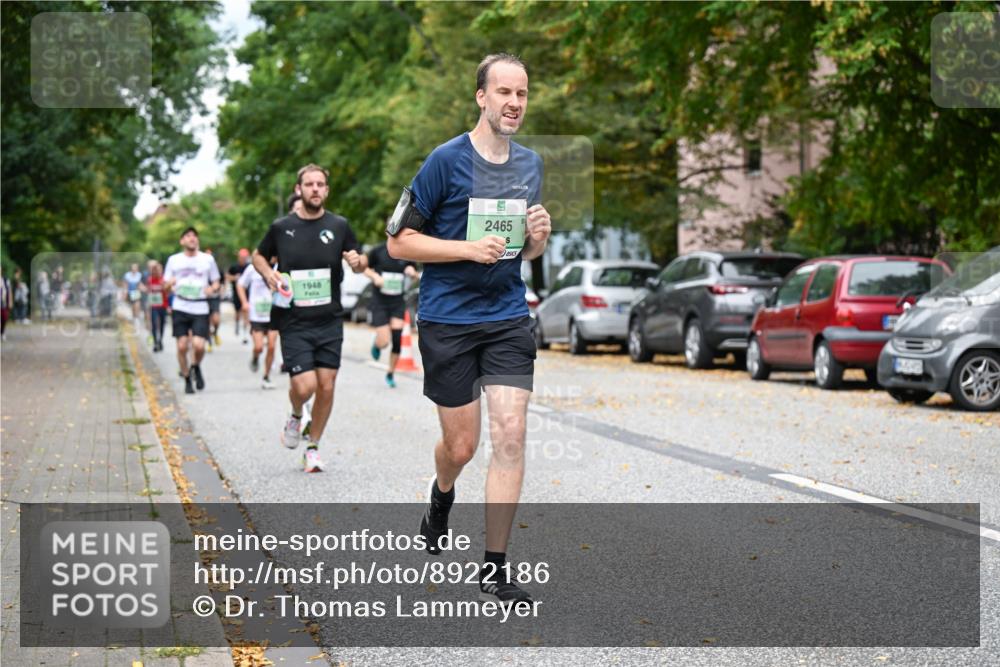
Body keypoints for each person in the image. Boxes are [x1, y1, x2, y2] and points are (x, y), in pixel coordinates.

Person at [386, 53, 551, 607]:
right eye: (503, 91)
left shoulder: (530, 165)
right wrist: (463, 249)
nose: (514, 103)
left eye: (522, 94)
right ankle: (441, 495)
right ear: (481, 96)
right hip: (449, 319)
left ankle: (495, 568)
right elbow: (397, 241)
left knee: (510, 434)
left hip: (505, 316)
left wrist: (538, 239)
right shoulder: (444, 161)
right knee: (462, 445)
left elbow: (522, 250)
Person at [252, 164, 367, 473]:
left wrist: (358, 262)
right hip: (294, 320)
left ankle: (313, 447)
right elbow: (258, 256)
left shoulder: (339, 225)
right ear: (298, 189)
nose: (315, 189)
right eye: (309, 184)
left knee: (327, 386)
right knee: (305, 387)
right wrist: (268, 275)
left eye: (320, 184)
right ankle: (295, 412)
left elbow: (359, 260)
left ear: (326, 191)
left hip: (329, 319)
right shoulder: (281, 227)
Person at [163, 227, 221, 394]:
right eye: (188, 236)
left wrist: (212, 288)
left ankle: (195, 366)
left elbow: (216, 281)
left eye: (195, 236)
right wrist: (169, 283)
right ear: (182, 241)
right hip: (180, 306)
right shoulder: (174, 260)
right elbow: (165, 287)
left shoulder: (207, 259)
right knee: (182, 346)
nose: (192, 238)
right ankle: (187, 377)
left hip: (200, 306)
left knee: (199, 345)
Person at [364, 242, 419, 388]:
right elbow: (365, 269)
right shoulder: (378, 251)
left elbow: (414, 273)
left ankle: (390, 373)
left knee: (396, 339)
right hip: (379, 301)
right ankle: (377, 343)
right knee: (384, 342)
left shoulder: (406, 251)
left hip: (397, 302)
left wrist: (412, 272)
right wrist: (375, 277)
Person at [236, 260, 279, 389]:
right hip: (257, 314)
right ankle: (255, 357)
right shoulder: (252, 268)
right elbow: (240, 285)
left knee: (271, 346)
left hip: (274, 313)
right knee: (259, 347)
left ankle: (266, 376)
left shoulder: (280, 266)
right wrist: (244, 302)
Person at [227, 248, 252, 344]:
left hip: (247, 293)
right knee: (237, 313)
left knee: (245, 311)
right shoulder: (234, 267)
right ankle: (237, 323)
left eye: (245, 257)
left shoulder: (249, 267)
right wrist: (234, 277)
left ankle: (245, 334)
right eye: (242, 257)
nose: (243, 259)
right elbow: (228, 277)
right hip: (236, 293)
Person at [203, 249, 223, 349]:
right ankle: (209, 341)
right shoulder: (200, 268)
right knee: (206, 321)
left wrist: (218, 290)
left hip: (215, 297)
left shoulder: (217, 269)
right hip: (203, 299)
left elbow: (221, 282)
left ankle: (215, 333)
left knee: (216, 320)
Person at [147, 262, 167, 352]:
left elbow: (169, 292)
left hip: (163, 305)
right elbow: (148, 291)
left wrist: (164, 286)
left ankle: (160, 340)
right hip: (154, 305)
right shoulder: (150, 279)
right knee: (155, 324)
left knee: (162, 324)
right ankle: (155, 343)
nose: (158, 271)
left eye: (160, 270)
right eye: (156, 270)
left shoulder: (164, 279)